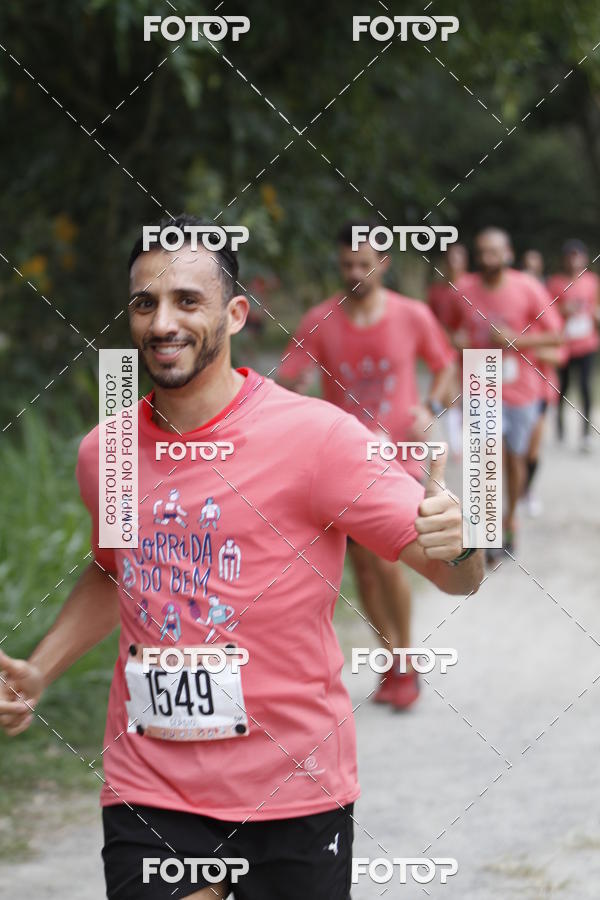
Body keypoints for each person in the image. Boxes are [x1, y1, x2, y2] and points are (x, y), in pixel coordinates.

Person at [0, 214, 482, 900]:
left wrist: (461, 541)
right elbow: (116, 571)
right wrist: (40, 670)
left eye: (186, 301)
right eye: (145, 303)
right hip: (151, 783)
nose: (162, 321)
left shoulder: (318, 439)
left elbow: (455, 578)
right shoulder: (103, 452)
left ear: (235, 312)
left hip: (296, 787)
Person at [277, 221, 458, 710]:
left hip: (398, 456)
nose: (355, 273)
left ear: (384, 264)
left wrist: (431, 406)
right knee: (365, 570)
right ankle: (393, 659)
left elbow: (444, 366)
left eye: (364, 264)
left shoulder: (412, 314)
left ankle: (406, 656)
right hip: (341, 460)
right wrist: (292, 396)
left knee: (388, 560)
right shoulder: (320, 318)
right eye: (347, 265)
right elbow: (290, 374)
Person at [454, 228, 562, 558]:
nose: (488, 259)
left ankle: (510, 517)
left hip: (521, 386)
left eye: (494, 252)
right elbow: (445, 327)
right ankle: (487, 533)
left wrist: (518, 340)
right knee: (486, 457)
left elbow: (556, 336)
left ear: (508, 253)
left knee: (515, 460)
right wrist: (456, 342)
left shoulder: (527, 287)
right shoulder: (463, 289)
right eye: (482, 253)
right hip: (479, 377)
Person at [546, 240, 600, 452]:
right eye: (570, 255)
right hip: (564, 345)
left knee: (586, 387)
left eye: (577, 255)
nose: (574, 259)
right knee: (563, 388)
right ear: (564, 259)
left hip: (587, 343)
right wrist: (562, 310)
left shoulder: (593, 281)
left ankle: (585, 433)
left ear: (584, 258)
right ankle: (559, 427)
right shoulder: (555, 283)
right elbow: (546, 313)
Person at [427, 242, 470, 457]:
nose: (454, 263)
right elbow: (430, 322)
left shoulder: (474, 288)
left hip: (472, 349)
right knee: (450, 394)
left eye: (458, 258)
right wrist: (448, 336)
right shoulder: (437, 292)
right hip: (446, 349)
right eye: (450, 258)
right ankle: (456, 444)